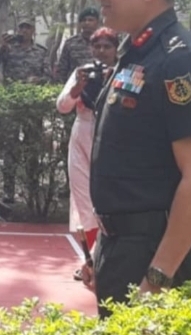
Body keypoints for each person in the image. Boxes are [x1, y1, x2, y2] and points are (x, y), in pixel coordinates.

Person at [82, 0, 191, 319]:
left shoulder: (180, 60)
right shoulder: (137, 53)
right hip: (124, 248)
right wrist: (101, 248)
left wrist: (158, 279)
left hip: (156, 257)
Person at [55, 27, 118, 281]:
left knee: (108, 202)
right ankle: (89, 262)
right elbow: (62, 107)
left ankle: (107, 260)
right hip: (82, 136)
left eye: (107, 46)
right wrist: (77, 88)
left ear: (116, 49)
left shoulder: (125, 72)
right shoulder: (81, 72)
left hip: (113, 140)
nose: (101, 51)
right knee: (83, 202)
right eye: (97, 46)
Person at [0, 19, 51, 203]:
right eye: (21, 27)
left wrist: (38, 80)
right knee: (10, 148)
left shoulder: (40, 52)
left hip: (32, 106)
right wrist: (2, 46)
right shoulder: (8, 49)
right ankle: (8, 190)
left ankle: (32, 189)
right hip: (12, 106)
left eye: (27, 28)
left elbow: (49, 76)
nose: (24, 31)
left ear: (33, 31)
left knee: (33, 148)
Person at [56, 7, 101, 83]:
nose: (87, 23)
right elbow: (62, 70)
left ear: (97, 22)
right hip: (75, 85)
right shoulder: (70, 43)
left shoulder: (106, 42)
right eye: (84, 20)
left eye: (90, 20)